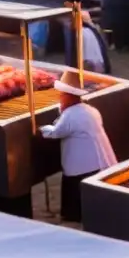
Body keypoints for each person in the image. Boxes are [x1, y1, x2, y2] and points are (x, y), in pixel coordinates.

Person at [38, 69, 117, 223]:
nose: (59, 99)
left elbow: (56, 132)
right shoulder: (89, 109)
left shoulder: (71, 115)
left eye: (61, 95)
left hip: (83, 165)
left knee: (75, 192)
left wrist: (41, 129)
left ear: (68, 96)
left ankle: (74, 216)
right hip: (97, 159)